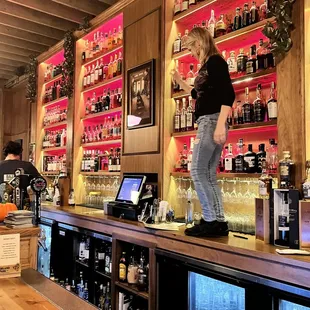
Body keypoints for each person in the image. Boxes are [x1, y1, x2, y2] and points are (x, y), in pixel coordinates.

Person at [171, 27, 235, 237]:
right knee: (208, 173)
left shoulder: (215, 62)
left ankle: (209, 220)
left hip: (211, 121)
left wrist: (219, 125)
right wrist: (180, 81)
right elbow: (198, 94)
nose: (190, 52)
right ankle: (218, 221)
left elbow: (229, 94)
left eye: (191, 47)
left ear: (199, 43)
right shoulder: (208, 66)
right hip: (212, 121)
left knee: (198, 171)